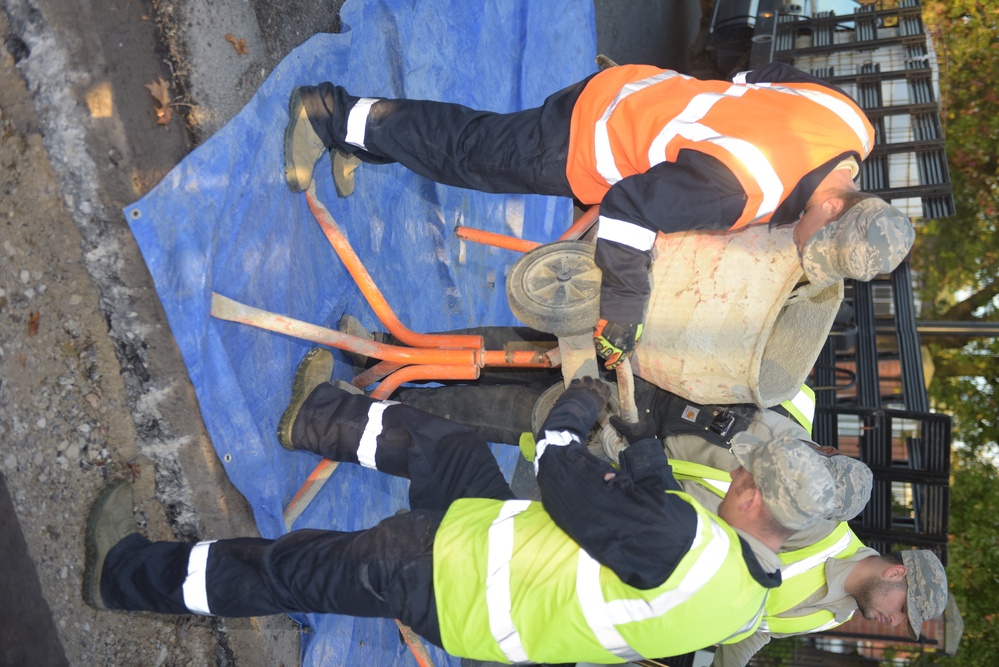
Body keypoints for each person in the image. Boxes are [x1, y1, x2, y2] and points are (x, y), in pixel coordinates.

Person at [84, 349, 839, 665]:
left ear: (753, 496)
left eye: (751, 474)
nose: (740, 472)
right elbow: (665, 499)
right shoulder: (747, 598)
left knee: (293, 571)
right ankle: (316, 415)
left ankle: (123, 577)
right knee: (446, 448)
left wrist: (578, 402)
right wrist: (639, 434)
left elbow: (557, 463)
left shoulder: (689, 542)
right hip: (487, 563)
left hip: (449, 575)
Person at [283, 62, 915, 369]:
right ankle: (329, 113)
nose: (805, 248)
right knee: (471, 151)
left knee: (473, 146)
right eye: (818, 242)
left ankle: (360, 139)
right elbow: (628, 212)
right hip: (592, 139)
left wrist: (705, 114)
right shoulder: (745, 188)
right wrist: (626, 308)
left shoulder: (852, 125)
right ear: (834, 206)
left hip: (641, 92)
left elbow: (762, 78)